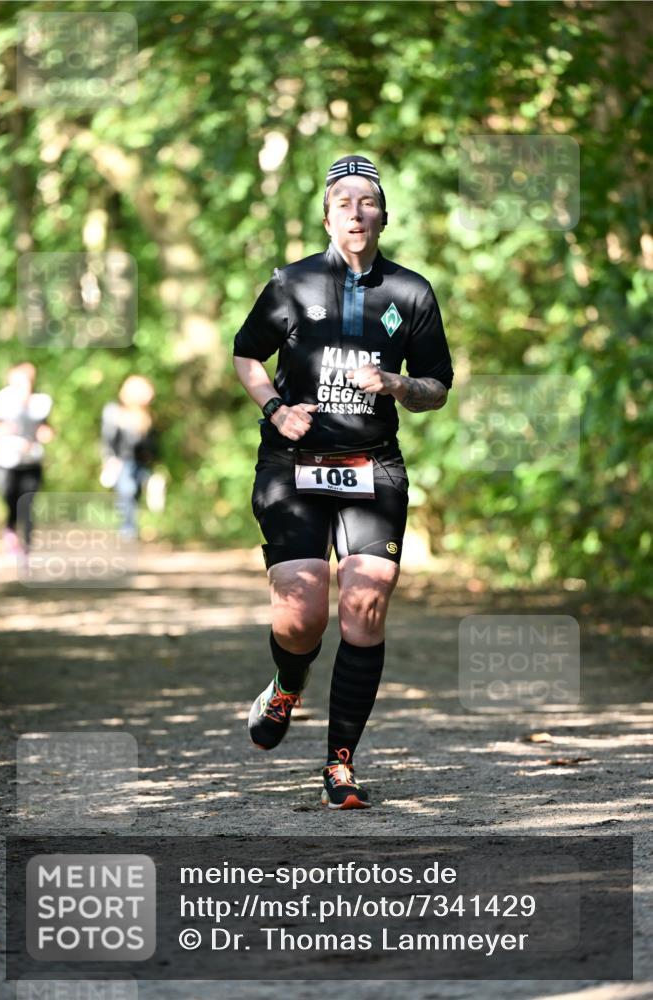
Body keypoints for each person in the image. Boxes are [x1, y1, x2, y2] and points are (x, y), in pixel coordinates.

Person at [233, 154, 453, 810]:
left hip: (373, 465)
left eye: (367, 202)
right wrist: (277, 407)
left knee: (366, 603)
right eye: (342, 203)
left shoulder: (409, 292)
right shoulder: (290, 283)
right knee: (303, 615)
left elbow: (435, 387)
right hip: (292, 468)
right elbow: (247, 353)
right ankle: (285, 684)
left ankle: (340, 764)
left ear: (383, 214)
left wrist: (396, 384)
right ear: (326, 217)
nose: (355, 213)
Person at [0, 362, 54, 557]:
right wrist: (7, 431)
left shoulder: (41, 402)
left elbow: (48, 429)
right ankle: (11, 533)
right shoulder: (2, 400)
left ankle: (27, 544)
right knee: (10, 501)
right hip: (6, 462)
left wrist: (43, 434)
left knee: (27, 503)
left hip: (31, 461)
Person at [100, 375, 158, 539]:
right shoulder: (114, 412)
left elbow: (151, 444)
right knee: (127, 491)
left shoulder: (146, 416)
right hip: (121, 462)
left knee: (135, 493)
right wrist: (109, 459)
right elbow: (107, 439)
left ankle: (130, 527)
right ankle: (128, 530)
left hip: (140, 463)